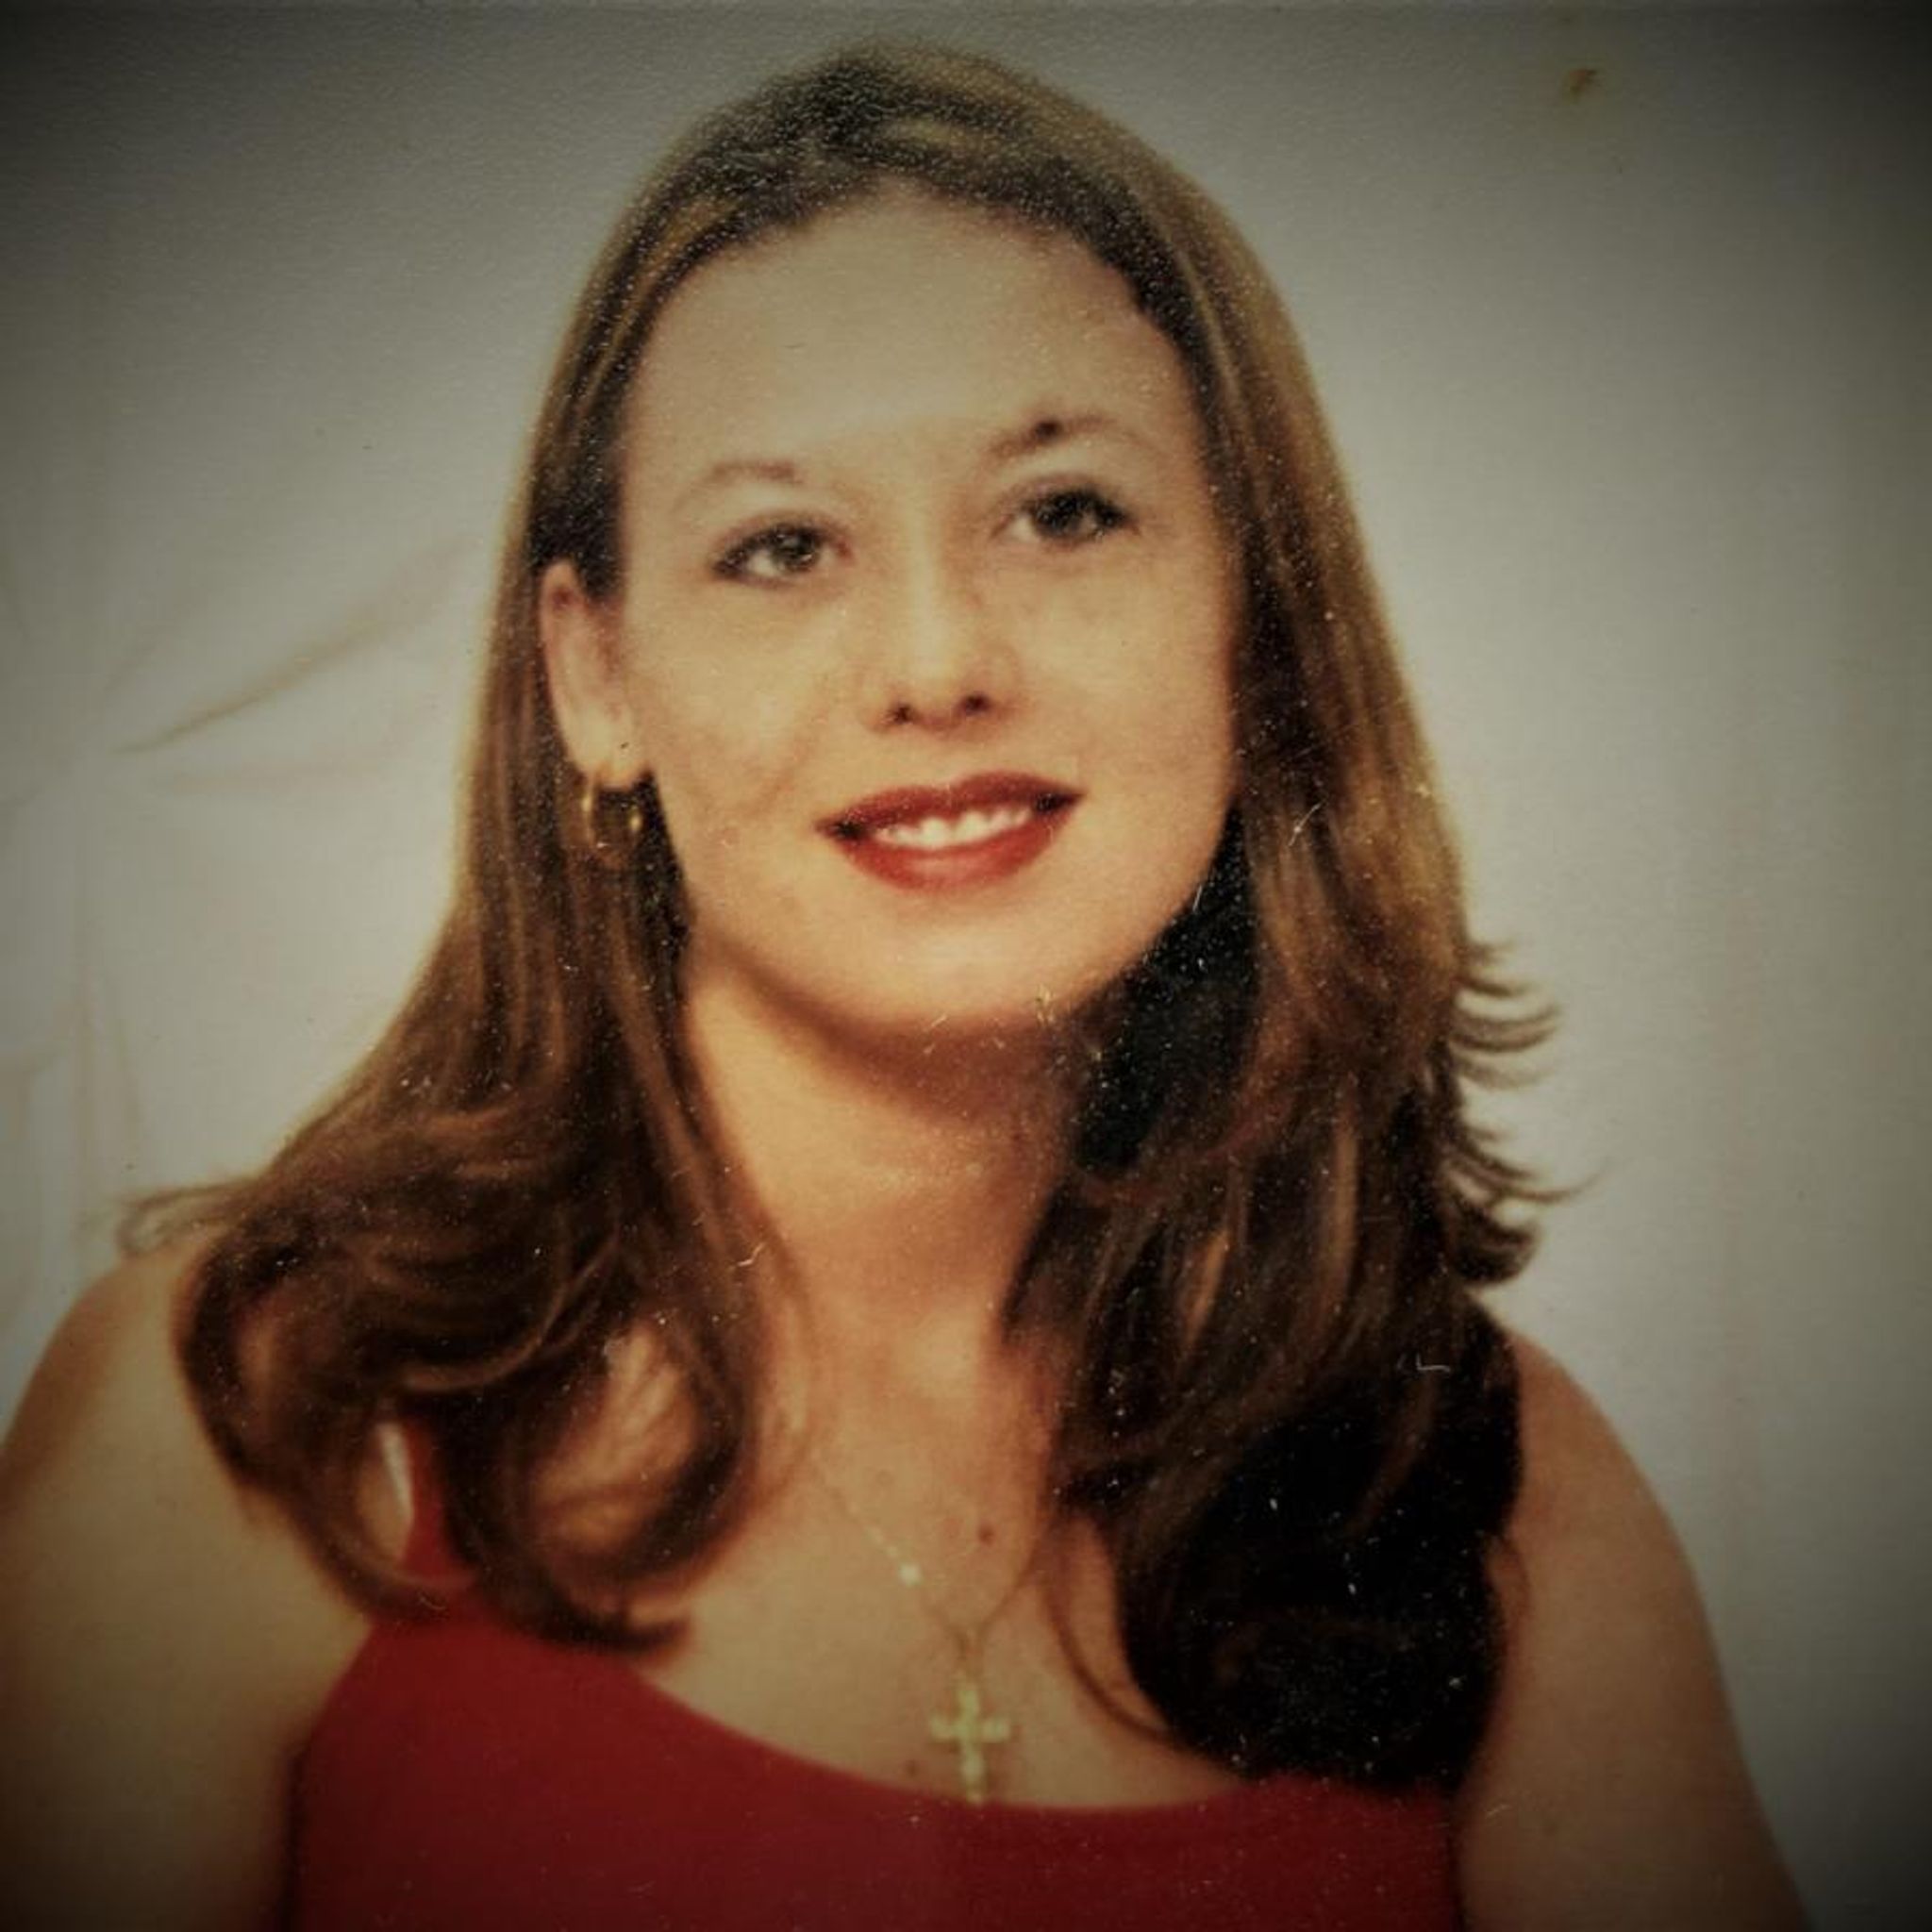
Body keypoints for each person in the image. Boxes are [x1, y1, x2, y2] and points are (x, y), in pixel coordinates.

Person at [0, 42, 1803, 1932]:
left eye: (1063, 511)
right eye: (781, 546)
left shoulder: (1490, 1492)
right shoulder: (247, 1431)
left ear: (1253, 616)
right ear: (595, 678)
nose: (937, 664)